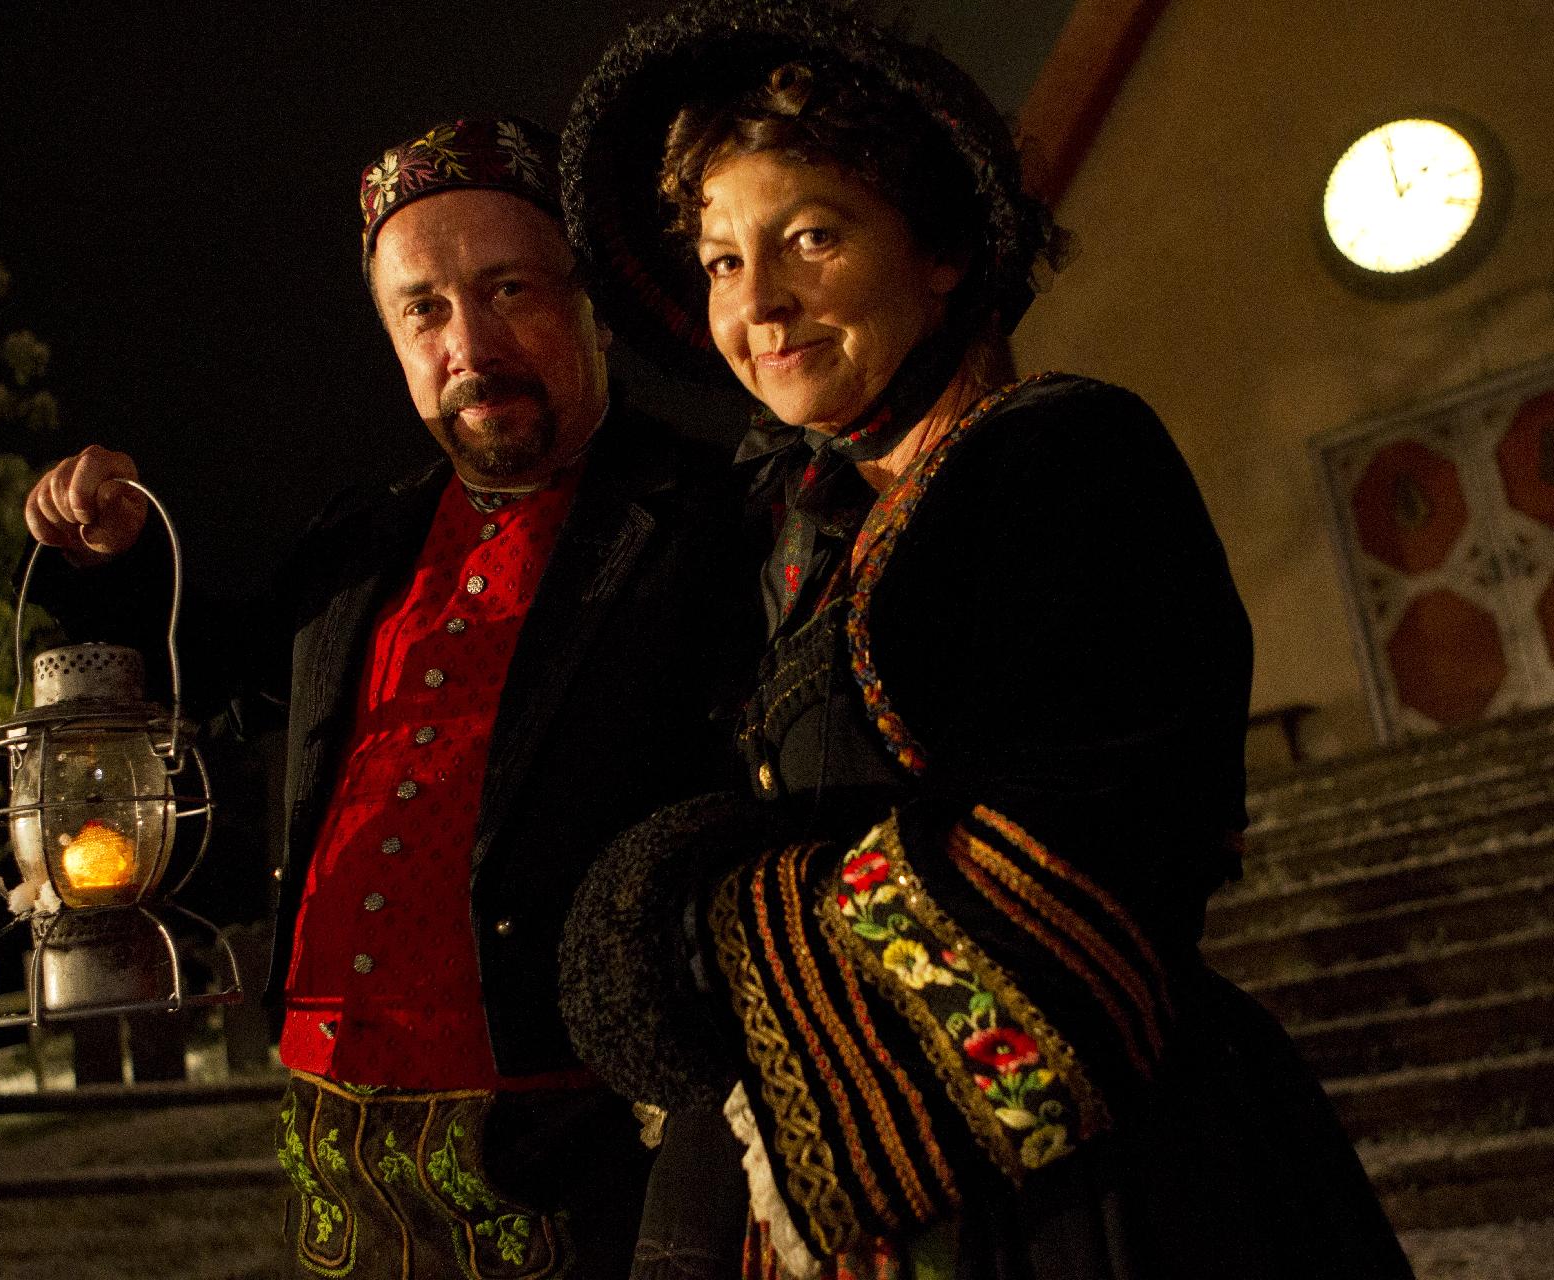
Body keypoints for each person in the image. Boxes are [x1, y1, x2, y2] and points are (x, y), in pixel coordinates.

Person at [553, 4, 1416, 1277]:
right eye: (724, 261)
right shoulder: (798, 534)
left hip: (1088, 1196)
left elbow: (1086, 860)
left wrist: (711, 926)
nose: (761, 302)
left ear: (943, 246)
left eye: (811, 237)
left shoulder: (1063, 459)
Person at [24, 116, 755, 1280]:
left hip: (580, 1140)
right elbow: (216, 677)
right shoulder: (362, 536)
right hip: (331, 1140)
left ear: (592, 304)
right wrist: (111, 562)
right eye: (424, 308)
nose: (469, 343)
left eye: (508, 287)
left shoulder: (718, 519)